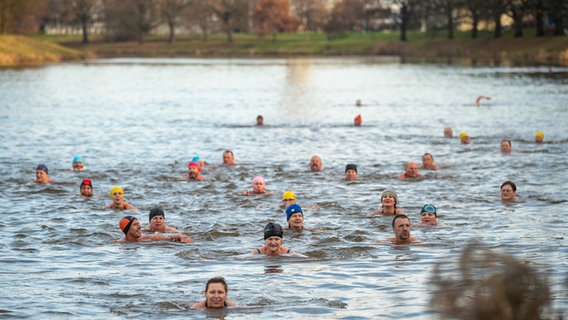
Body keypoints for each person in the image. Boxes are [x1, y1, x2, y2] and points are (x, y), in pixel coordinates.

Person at [112, 216, 192, 244]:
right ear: (127, 229)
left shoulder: (149, 238)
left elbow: (169, 237)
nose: (140, 227)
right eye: (135, 225)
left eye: (139, 224)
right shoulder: (118, 243)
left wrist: (180, 236)